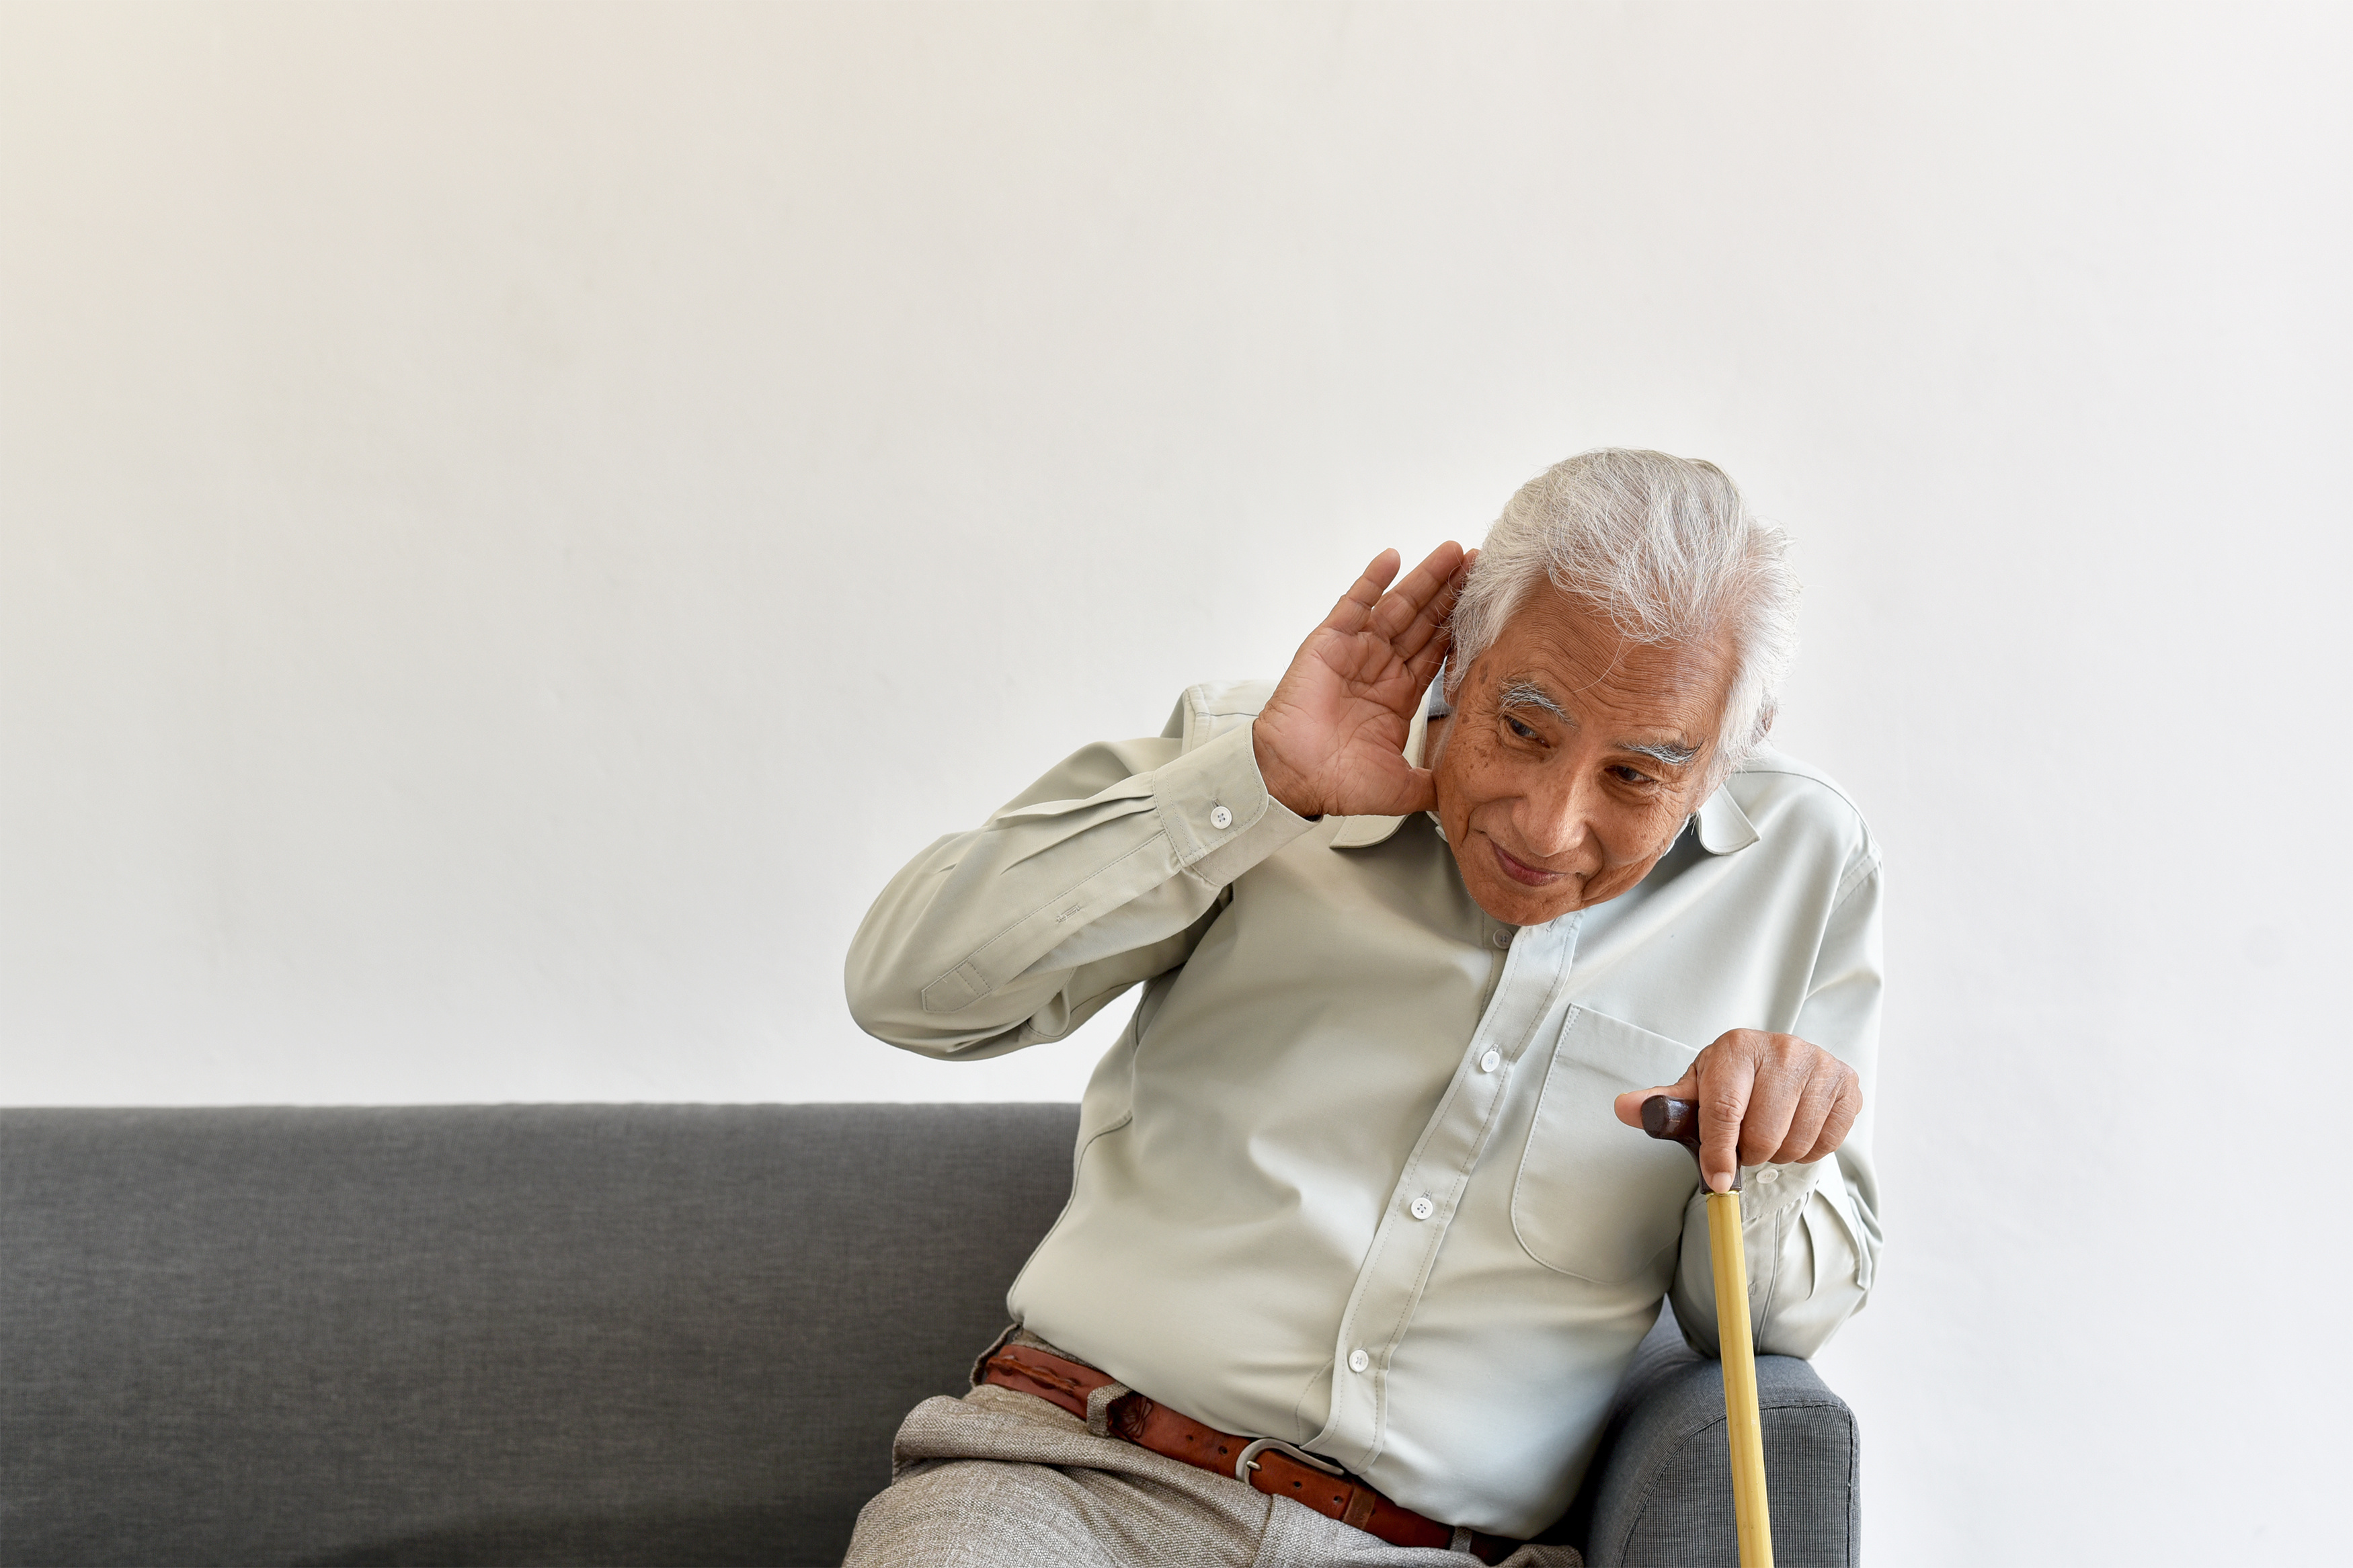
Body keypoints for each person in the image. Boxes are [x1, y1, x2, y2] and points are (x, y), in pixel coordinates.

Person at [840, 449, 1882, 1567]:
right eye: (1523, 728)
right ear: (1459, 658)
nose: (1546, 824)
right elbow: (910, 992)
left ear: (1732, 748)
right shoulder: (1263, 753)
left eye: (1635, 776)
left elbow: (1769, 1325)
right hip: (1075, 1488)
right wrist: (1256, 790)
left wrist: (1773, 1151)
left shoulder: (1803, 869)